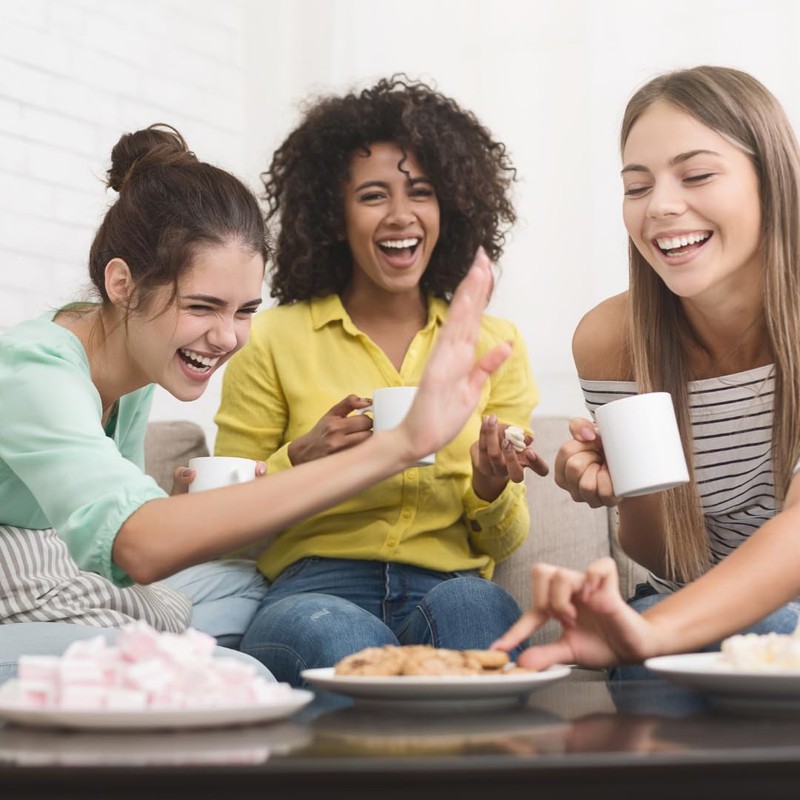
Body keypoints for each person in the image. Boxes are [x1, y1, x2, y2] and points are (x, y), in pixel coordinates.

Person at [0, 123, 509, 684]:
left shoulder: (135, 365)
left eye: (243, 311)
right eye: (202, 306)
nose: (227, 338)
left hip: (62, 569)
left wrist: (175, 508)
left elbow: (111, 521)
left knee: (248, 589)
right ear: (121, 283)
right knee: (242, 674)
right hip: (16, 581)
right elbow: (137, 547)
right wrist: (396, 447)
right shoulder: (35, 367)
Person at [213, 76, 548, 685]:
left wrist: (491, 482)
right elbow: (220, 520)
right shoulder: (270, 338)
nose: (401, 215)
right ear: (334, 216)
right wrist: (298, 459)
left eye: (421, 192)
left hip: (451, 580)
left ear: (448, 207)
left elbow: (503, 542)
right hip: (314, 583)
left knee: (481, 617)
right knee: (334, 637)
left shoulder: (493, 344)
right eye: (373, 195)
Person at [492, 65, 800, 674]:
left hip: (733, 622)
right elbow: (667, 556)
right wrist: (628, 484)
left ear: (773, 181)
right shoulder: (613, 340)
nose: (659, 206)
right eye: (637, 187)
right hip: (691, 616)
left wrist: (646, 631)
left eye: (697, 175)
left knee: (773, 626)